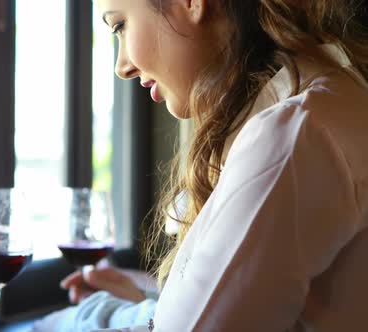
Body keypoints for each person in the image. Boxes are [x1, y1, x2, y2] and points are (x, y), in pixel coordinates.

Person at [35, 0, 368, 331]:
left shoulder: (293, 136)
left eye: (121, 25)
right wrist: (147, 296)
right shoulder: (321, 104)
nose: (122, 66)